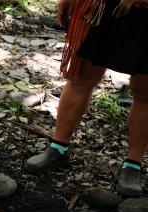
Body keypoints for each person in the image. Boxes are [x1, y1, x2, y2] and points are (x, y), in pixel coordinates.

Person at [25, 0, 148, 197]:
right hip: (100, 6)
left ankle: (133, 165)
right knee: (80, 77)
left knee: (145, 91)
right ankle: (58, 148)